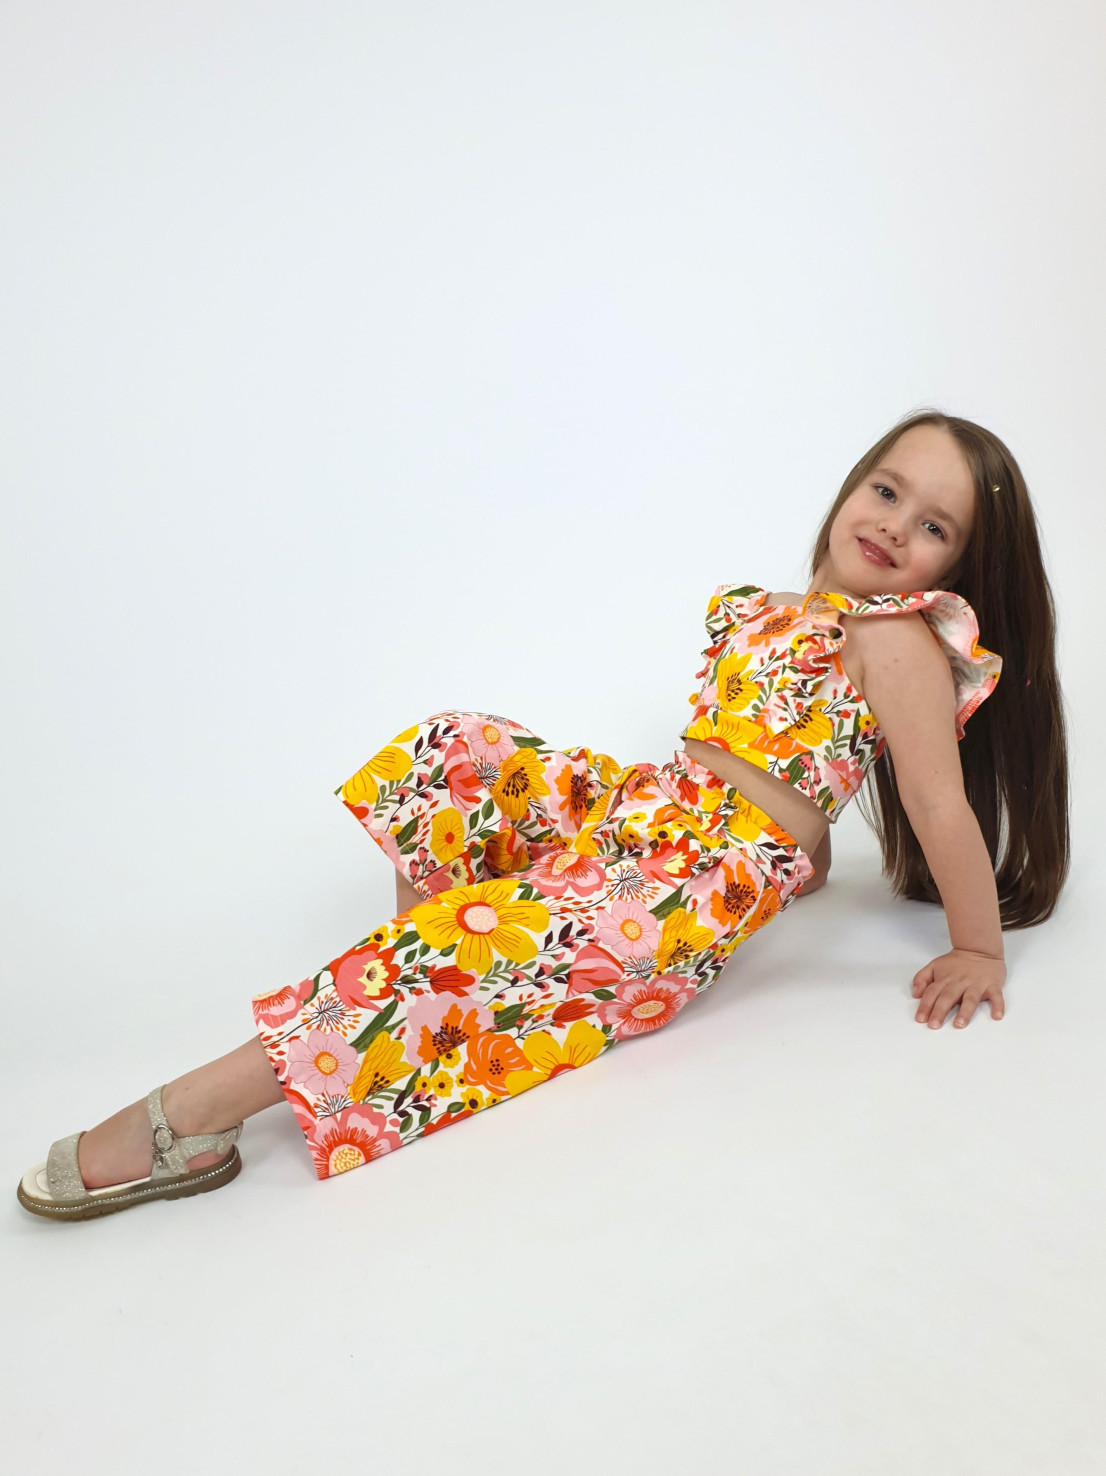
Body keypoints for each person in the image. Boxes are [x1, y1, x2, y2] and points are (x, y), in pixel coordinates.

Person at [17, 409, 1070, 1219]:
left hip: (690, 881)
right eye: (885, 490)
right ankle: (423, 993)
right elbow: (794, 751)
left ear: (956, 567)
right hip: (648, 811)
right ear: (851, 486)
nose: (892, 525)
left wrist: (976, 947)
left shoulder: (895, 640)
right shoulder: (778, 611)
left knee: (471, 939)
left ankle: (199, 1114)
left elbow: (934, 803)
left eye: (932, 526)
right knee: (458, 749)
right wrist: (804, 850)